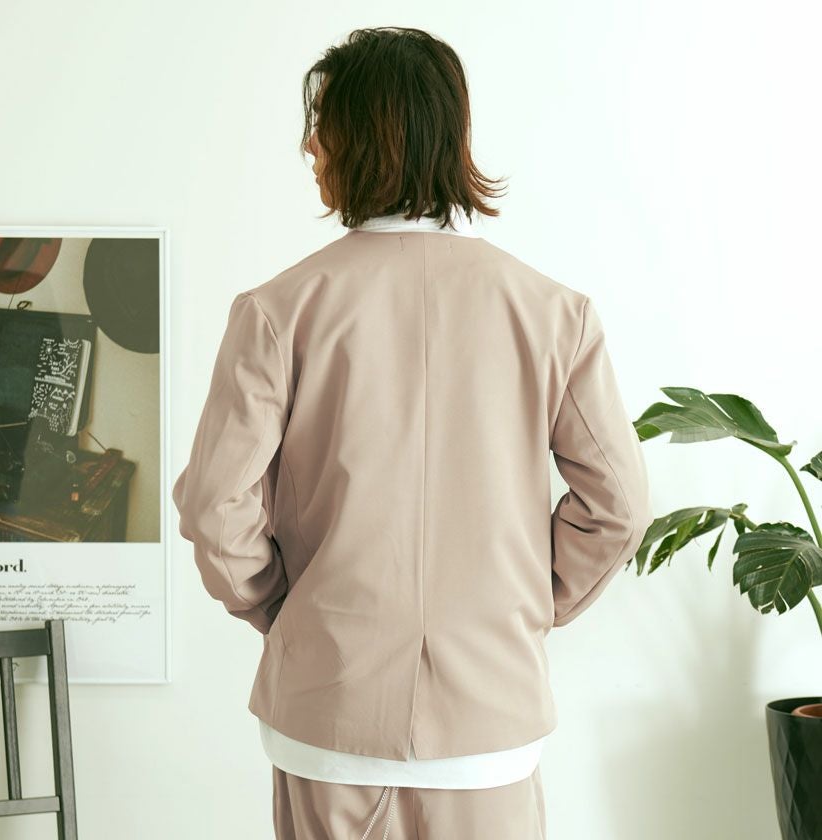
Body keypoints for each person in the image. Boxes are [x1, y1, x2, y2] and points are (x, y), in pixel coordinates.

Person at [172, 25, 653, 840]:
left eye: (322, 125)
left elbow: (216, 508)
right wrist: (525, 605)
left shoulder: (278, 311)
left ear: (365, 138)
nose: (309, 146)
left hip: (328, 718)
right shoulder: (553, 315)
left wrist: (287, 611)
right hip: (489, 724)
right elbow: (621, 506)